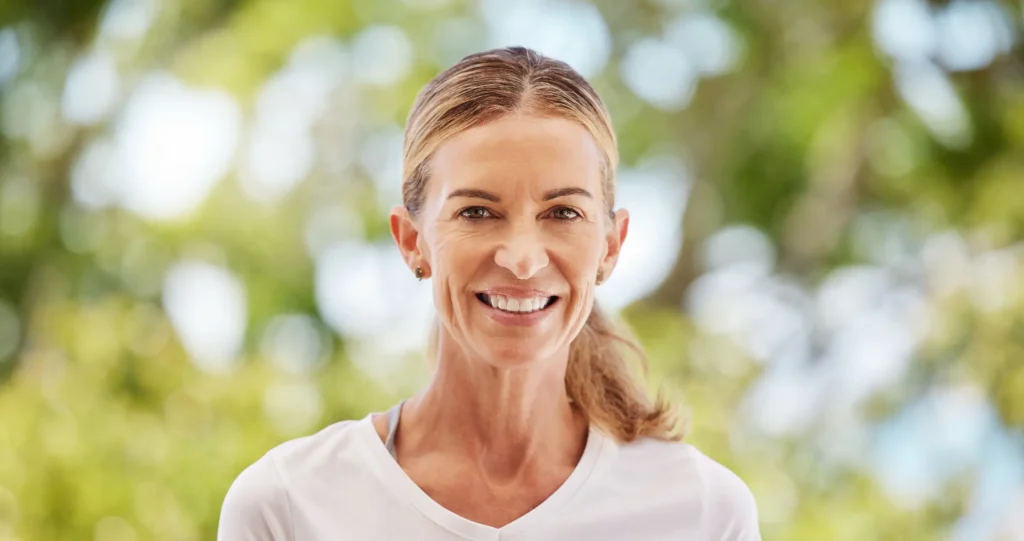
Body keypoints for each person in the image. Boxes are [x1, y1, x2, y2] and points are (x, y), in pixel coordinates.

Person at [218, 46, 761, 541]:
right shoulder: (287, 506)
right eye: (477, 212)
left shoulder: (703, 513)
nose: (522, 259)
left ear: (611, 246)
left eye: (563, 213)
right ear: (412, 240)